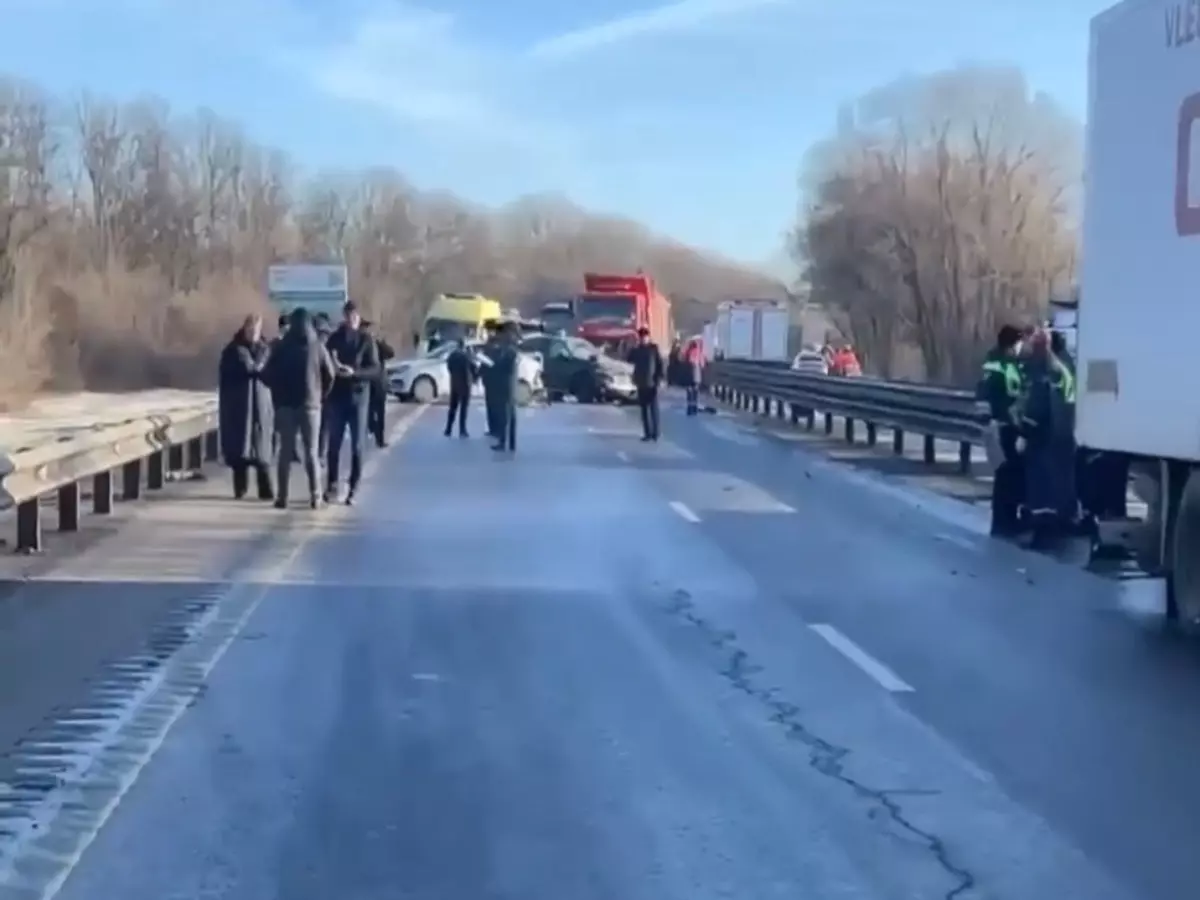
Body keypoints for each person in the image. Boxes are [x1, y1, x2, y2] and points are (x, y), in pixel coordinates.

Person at [263, 307, 336, 509]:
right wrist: (321, 395)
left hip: (286, 406)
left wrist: (277, 393)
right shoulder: (318, 346)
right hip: (311, 406)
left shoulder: (281, 347)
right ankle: (316, 496)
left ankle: (282, 497)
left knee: (285, 453)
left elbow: (266, 374)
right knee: (311, 452)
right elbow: (330, 374)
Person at [1018, 329, 1076, 550]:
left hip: (1044, 435)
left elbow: (1038, 403)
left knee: (1041, 485)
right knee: (1059, 483)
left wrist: (1025, 430)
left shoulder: (1046, 369)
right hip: (1065, 432)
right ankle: (1060, 523)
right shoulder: (1066, 366)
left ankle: (1043, 532)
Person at [323, 301, 381, 505]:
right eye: (348, 316)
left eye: (355, 317)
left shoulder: (366, 340)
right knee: (334, 444)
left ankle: (353, 487)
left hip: (358, 398)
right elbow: (324, 363)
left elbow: (375, 369)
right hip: (337, 397)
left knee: (357, 445)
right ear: (344, 317)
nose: (351, 320)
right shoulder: (334, 339)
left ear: (358, 318)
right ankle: (332, 485)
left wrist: (354, 373)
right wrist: (334, 370)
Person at [218, 314, 275, 501]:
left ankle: (265, 490)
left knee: (262, 452)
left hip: (261, 405)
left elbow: (273, 376)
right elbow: (226, 378)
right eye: (250, 330)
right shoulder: (232, 351)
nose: (253, 333)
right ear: (244, 329)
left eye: (256, 330)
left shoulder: (266, 351)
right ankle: (240, 489)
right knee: (240, 450)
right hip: (239, 406)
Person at [978, 325, 1025, 537]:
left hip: (1011, 424)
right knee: (1005, 474)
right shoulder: (997, 363)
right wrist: (989, 421)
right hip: (1001, 425)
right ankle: (1003, 520)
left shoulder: (1011, 362)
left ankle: (1007, 518)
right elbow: (987, 393)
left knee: (1010, 475)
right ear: (1011, 343)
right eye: (1018, 342)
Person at [361, 320, 394, 448]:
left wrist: (380, 342)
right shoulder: (361, 343)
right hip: (367, 382)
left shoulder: (377, 344)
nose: (368, 332)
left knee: (380, 413)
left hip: (379, 383)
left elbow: (391, 353)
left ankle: (380, 439)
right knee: (368, 411)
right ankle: (371, 428)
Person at [628, 326, 664, 441]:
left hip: (652, 383)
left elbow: (660, 364)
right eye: (641, 337)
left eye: (645, 337)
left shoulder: (654, 349)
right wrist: (631, 346)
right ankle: (647, 433)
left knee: (654, 409)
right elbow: (628, 359)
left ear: (648, 337)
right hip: (641, 383)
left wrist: (659, 379)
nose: (643, 339)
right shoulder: (637, 350)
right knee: (644, 410)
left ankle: (656, 433)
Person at [490, 323, 520, 452]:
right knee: (510, 415)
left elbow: (503, 366)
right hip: (510, 385)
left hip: (506, 385)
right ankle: (510, 443)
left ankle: (503, 442)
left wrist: (494, 364)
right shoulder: (511, 349)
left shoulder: (510, 351)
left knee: (505, 415)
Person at [445, 338, 474, 438]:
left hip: (454, 384)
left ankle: (448, 429)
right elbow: (471, 368)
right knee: (463, 409)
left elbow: (449, 368)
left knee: (452, 407)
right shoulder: (466, 356)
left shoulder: (452, 355)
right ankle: (462, 430)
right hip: (465, 385)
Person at [479, 320, 502, 438]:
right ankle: (492, 428)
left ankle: (497, 429)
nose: (487, 333)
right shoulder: (488, 343)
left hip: (496, 379)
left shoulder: (498, 343)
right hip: (488, 379)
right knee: (489, 405)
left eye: (488, 330)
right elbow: (484, 360)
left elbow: (496, 361)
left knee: (496, 405)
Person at [682, 337, 705, 415]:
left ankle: (689, 408)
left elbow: (683, 358)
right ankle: (694, 408)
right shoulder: (699, 351)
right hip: (696, 371)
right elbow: (702, 364)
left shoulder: (688, 351)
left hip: (688, 372)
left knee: (689, 391)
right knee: (695, 391)